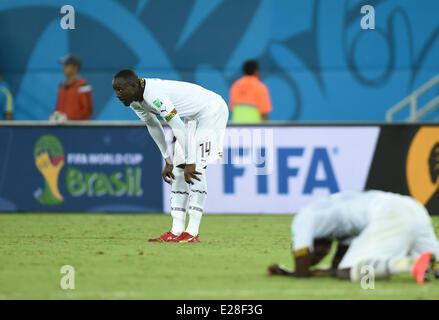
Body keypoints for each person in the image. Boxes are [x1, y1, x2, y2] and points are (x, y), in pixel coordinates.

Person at [112, 69, 229, 243]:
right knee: (180, 170)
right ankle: (176, 231)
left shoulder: (154, 95)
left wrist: (191, 161)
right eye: (116, 90)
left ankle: (192, 232)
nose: (118, 95)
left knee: (196, 167)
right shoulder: (134, 101)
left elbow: (176, 125)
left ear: (133, 86)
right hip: (192, 116)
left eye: (121, 89)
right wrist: (168, 159)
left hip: (211, 110)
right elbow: (153, 126)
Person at [267, 190, 439, 284]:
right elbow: (338, 265)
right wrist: (294, 271)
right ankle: (426, 263)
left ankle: (409, 264)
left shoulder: (303, 219)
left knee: (346, 273)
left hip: (389, 213)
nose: (318, 257)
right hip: (413, 207)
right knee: (437, 267)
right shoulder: (334, 223)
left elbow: (304, 272)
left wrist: (293, 273)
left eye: (314, 255)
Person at [49, 54, 93, 121]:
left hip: (77, 128)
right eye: (64, 65)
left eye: (67, 65)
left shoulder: (83, 86)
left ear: (75, 68)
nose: (64, 68)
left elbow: (87, 110)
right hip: (61, 128)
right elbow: (58, 108)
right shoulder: (61, 86)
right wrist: (55, 117)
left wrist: (70, 120)